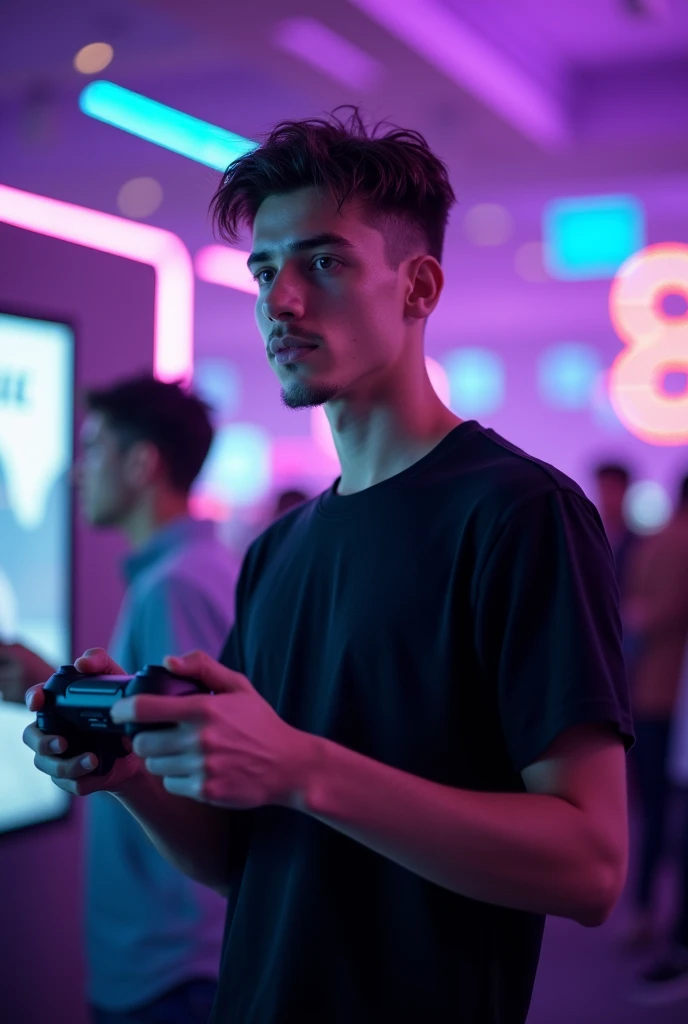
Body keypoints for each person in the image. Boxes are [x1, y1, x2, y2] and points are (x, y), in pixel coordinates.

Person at [24, 110, 633, 1024]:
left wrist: (306, 768)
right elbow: (246, 859)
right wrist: (132, 780)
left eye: (324, 262)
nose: (279, 301)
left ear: (418, 286)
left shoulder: (518, 514)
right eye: (265, 272)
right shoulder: (278, 551)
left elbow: (590, 865)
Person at [12, 375, 238, 1024]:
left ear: (141, 463)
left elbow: (191, 768)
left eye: (93, 447)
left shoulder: (174, 586)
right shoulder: (198, 570)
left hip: (172, 963)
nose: (78, 472)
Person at [626, 472, 688, 1001]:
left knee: (652, 811)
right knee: (671, 815)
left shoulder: (656, 540)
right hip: (670, 697)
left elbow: (636, 611)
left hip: (648, 692)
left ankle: (646, 911)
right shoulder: (677, 542)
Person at [593, 462, 636, 595]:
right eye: (604, 488)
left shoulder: (638, 543)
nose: (607, 496)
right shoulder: (588, 534)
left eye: (613, 489)